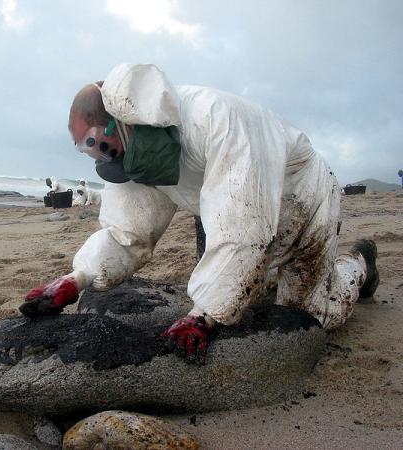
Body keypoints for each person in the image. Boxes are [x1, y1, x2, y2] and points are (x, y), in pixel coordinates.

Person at [19, 63, 379, 362]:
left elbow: (243, 224)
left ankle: (358, 266)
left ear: (118, 120)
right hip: (221, 209)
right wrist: (76, 279)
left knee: (310, 317)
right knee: (248, 289)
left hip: (301, 198)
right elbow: (128, 233)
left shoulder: (216, 119)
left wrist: (202, 317)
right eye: (85, 151)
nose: (96, 156)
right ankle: (246, 282)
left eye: (93, 142)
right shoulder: (137, 151)